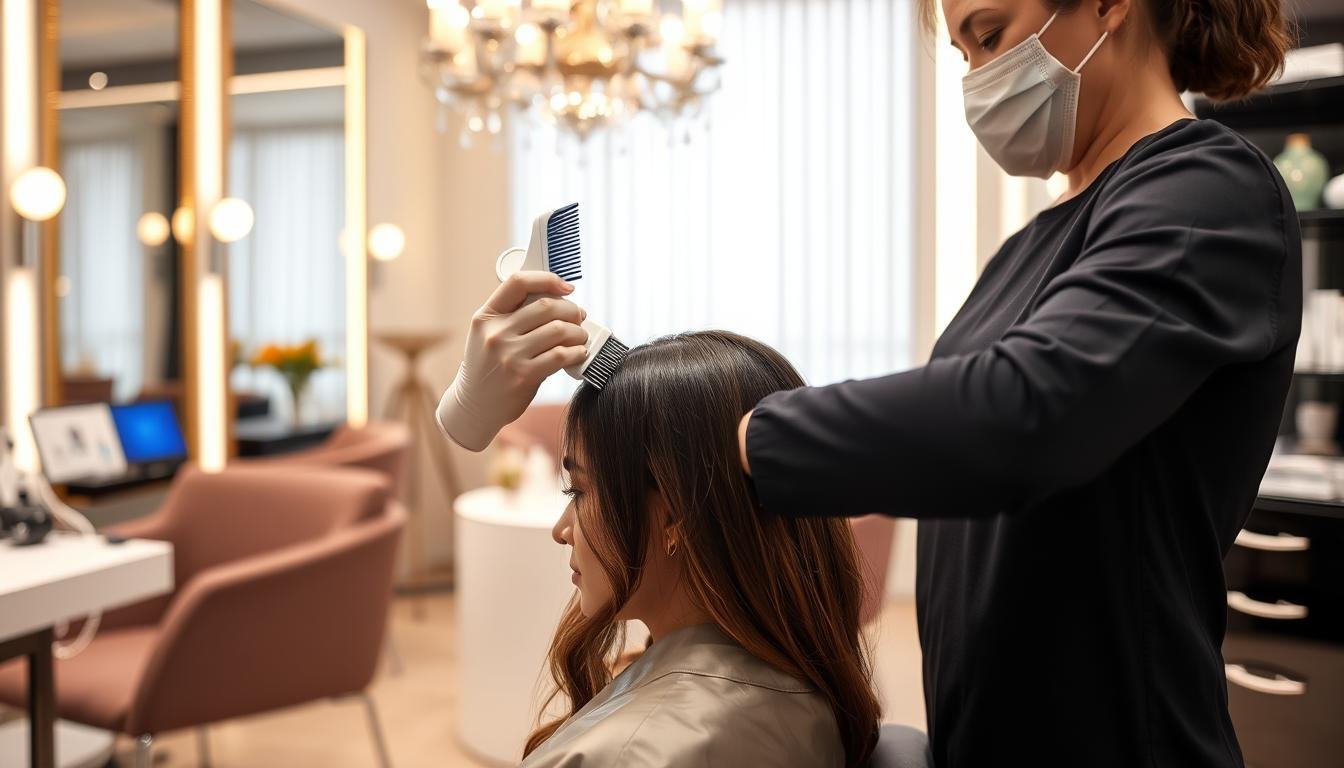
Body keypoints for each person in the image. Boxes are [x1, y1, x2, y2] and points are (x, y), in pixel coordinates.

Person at [735, 1, 1299, 766]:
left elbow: (1021, 415)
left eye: (991, 36)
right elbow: (952, 423)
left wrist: (752, 437)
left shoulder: (1206, 190)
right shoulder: (1033, 244)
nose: (978, 79)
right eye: (966, 54)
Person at [517, 330, 881, 768]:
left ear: (673, 517)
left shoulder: (622, 755)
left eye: (578, 490)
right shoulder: (805, 688)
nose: (562, 530)